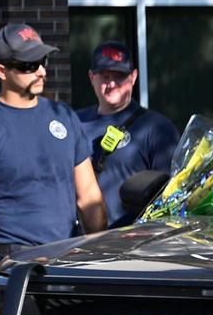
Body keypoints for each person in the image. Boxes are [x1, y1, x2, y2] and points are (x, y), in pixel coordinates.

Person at [0, 23, 106, 276]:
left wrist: (101, 260)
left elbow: (89, 196)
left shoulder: (63, 116)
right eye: (29, 65)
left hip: (70, 259)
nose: (41, 71)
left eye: (42, 61)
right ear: (1, 71)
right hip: (15, 266)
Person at [76, 41, 179, 227]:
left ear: (133, 77)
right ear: (92, 77)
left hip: (131, 243)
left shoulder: (157, 128)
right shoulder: (75, 123)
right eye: (105, 77)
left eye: (119, 77)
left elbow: (172, 195)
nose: (112, 84)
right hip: (80, 242)